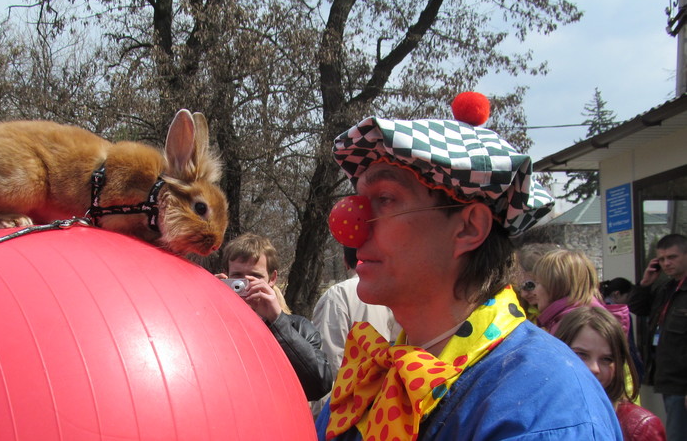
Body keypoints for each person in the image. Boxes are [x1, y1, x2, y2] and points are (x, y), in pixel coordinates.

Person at [315, 92, 621, 440]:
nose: (350, 225)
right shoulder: (371, 380)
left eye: (385, 199)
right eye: (357, 199)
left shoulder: (544, 406)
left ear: (469, 227)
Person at [218, 233, 334, 401]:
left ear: (272, 278)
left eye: (255, 276)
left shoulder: (299, 328)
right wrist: (207, 306)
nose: (245, 284)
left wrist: (277, 321)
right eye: (237, 276)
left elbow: (319, 385)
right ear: (226, 276)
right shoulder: (214, 323)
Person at [311, 246, 401, 416]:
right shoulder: (395, 290)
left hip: (347, 409)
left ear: (345, 261)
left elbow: (328, 362)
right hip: (390, 406)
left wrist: (322, 418)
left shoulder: (338, 296)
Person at [555, 306, 666, 441]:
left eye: (607, 359)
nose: (594, 368)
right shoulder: (539, 414)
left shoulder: (639, 427)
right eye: (581, 354)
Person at [629, 233, 687, 441]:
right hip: (667, 378)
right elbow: (637, 307)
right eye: (661, 259)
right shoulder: (667, 288)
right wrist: (645, 284)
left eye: (672, 257)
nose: (666, 263)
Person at [532, 249, 629, 335]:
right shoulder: (572, 319)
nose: (534, 291)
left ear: (556, 285)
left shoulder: (576, 325)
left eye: (538, 283)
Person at [514, 242, 560, 322]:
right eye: (519, 288)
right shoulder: (524, 313)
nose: (523, 294)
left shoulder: (573, 316)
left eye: (529, 286)